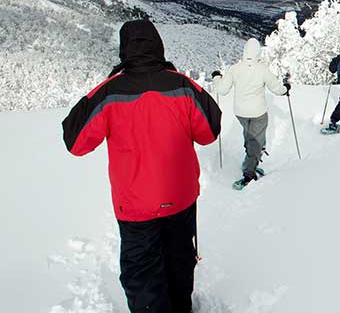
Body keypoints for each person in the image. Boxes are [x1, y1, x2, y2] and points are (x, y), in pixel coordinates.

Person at [62, 19, 222, 313]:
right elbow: (210, 130)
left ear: (124, 50)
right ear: (158, 46)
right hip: (181, 199)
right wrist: (175, 77)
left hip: (135, 207)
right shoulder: (182, 86)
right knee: (179, 262)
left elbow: (75, 140)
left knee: (143, 276)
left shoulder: (111, 92)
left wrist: (109, 82)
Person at [212, 38, 289, 190]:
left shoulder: (235, 69)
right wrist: (286, 88)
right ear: (257, 52)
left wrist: (216, 77)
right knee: (256, 140)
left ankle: (250, 160)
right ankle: (249, 173)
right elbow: (277, 89)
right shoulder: (262, 69)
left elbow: (221, 90)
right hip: (258, 112)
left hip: (240, 112)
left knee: (249, 135)